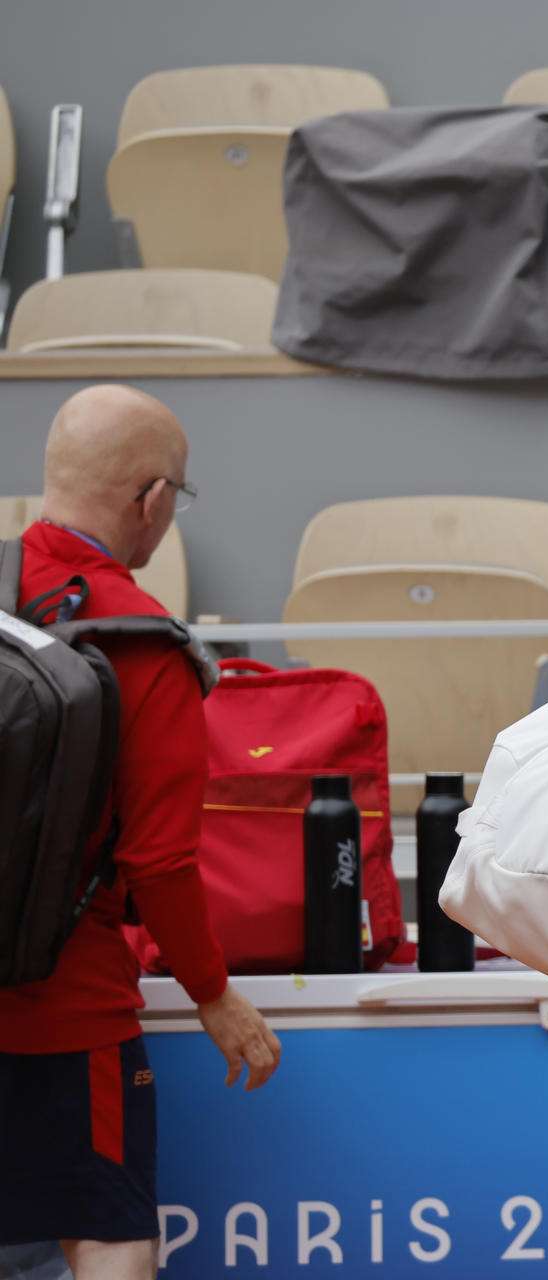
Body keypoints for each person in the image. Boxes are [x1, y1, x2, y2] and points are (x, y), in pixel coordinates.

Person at [0, 386, 282, 1280]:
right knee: (107, 1228)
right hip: (70, 1009)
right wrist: (213, 994)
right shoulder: (144, 646)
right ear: (153, 500)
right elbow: (159, 860)